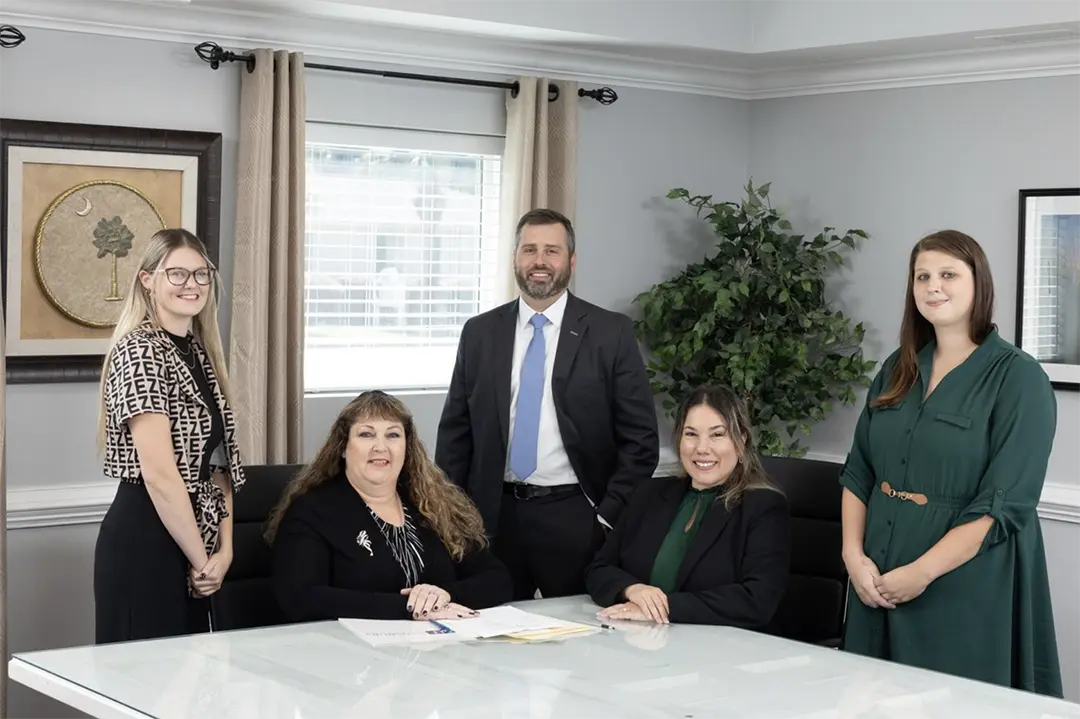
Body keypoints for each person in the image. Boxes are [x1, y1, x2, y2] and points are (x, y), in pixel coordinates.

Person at [839, 229, 1062, 696]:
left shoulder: (1018, 377)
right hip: (874, 577)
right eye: (922, 276)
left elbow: (1004, 505)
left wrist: (920, 574)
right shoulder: (897, 368)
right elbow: (859, 471)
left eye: (947, 274)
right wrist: (852, 556)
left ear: (978, 282)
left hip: (962, 583)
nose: (932, 286)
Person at [435, 208, 660, 601]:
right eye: (529, 250)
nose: (540, 261)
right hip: (492, 517)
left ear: (571, 261)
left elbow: (640, 441)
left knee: (583, 640)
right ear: (515, 260)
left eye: (552, 251)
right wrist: (457, 516)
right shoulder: (479, 333)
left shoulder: (610, 333)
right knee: (487, 637)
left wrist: (606, 517)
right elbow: (456, 434)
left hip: (575, 514)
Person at [95, 228, 245, 643]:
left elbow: (219, 465)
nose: (191, 285)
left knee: (188, 693)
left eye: (201, 275)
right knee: (142, 692)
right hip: (146, 541)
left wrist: (223, 552)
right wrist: (201, 561)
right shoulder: (140, 350)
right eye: (177, 274)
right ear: (148, 280)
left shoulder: (198, 351)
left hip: (195, 541)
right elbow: (160, 476)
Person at [268, 390, 513, 621]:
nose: (380, 446)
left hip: (438, 651)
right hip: (349, 656)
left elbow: (497, 579)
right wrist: (411, 608)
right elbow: (301, 599)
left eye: (393, 434)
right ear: (343, 447)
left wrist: (444, 595)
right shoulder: (312, 511)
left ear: (407, 447)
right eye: (366, 434)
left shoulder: (433, 503)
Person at [585, 386, 790, 626]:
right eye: (691, 434)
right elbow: (599, 569)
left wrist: (663, 608)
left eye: (717, 434)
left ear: (741, 441)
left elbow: (757, 600)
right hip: (636, 640)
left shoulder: (763, 508)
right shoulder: (648, 494)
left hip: (714, 651)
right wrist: (633, 589)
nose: (702, 448)